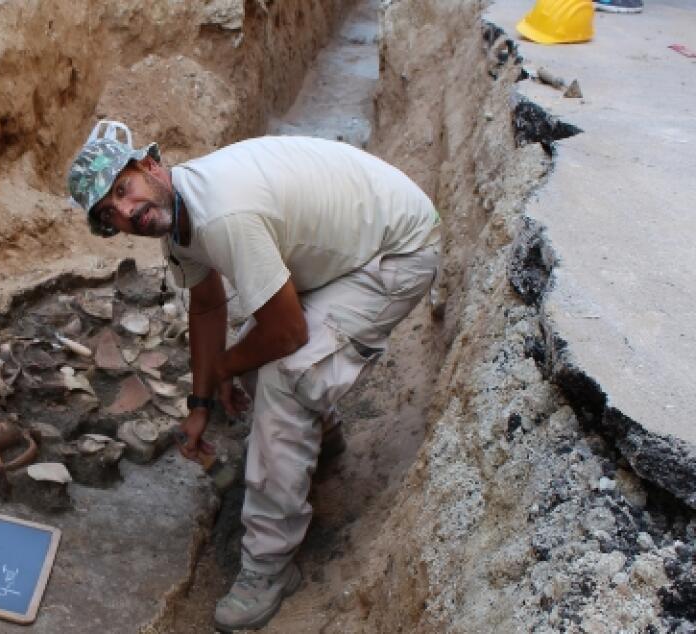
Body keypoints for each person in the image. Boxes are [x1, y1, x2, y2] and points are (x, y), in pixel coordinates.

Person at [67, 120, 441, 631]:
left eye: (123, 191)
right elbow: (205, 307)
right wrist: (201, 405)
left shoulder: (222, 215)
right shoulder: (178, 218)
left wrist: (227, 366)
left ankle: (268, 569)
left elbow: (286, 335)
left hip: (395, 253)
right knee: (252, 335)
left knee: (287, 375)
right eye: (112, 214)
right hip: (353, 243)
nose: (128, 212)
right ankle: (321, 436)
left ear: (149, 166)